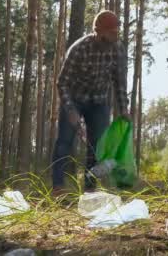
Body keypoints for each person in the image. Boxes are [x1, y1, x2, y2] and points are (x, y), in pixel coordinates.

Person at [52, 10, 129, 194]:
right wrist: (70, 110)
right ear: (99, 31)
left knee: (96, 146)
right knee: (64, 142)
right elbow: (62, 82)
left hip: (99, 102)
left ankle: (90, 189)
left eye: (117, 32)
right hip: (75, 99)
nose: (115, 35)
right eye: (111, 32)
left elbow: (119, 81)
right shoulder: (80, 49)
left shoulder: (118, 49)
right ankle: (58, 187)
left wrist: (124, 108)